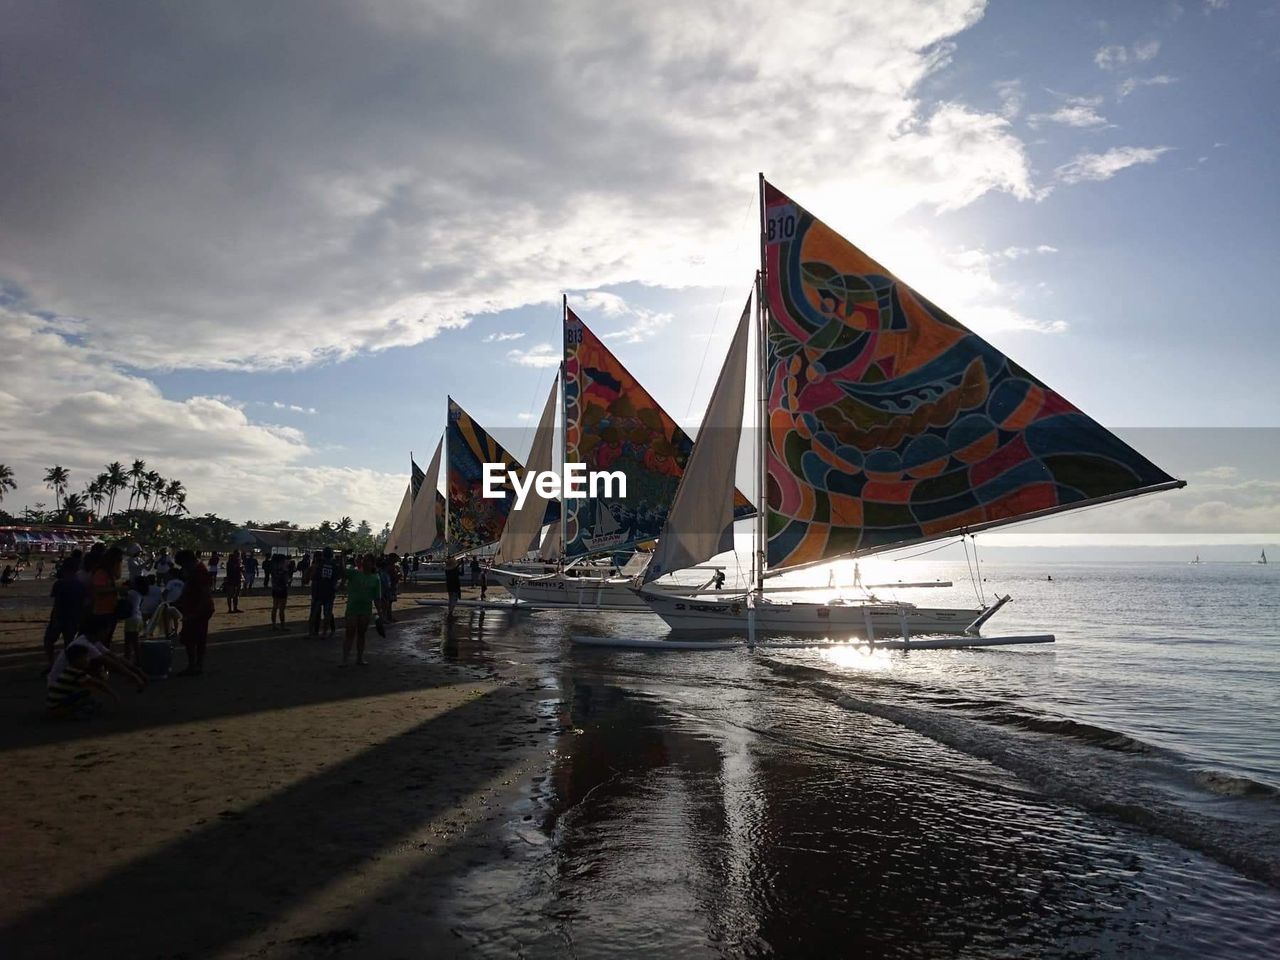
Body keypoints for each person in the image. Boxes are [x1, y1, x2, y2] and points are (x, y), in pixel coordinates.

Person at [46, 642, 117, 719]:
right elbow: (99, 684)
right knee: (89, 699)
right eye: (85, 657)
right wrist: (114, 695)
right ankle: (74, 714)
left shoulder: (69, 669)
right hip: (58, 707)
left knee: (85, 694)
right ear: (77, 660)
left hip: (53, 705)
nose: (88, 660)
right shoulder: (77, 673)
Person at [174, 549, 214, 676]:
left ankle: (194, 665)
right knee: (195, 638)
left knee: (191, 638)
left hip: (198, 610)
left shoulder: (200, 572)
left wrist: (195, 613)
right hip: (196, 608)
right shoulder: (196, 570)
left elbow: (205, 595)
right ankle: (196, 665)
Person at [42, 559, 86, 672]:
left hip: (60, 616)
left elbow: (57, 602)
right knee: (69, 642)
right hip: (74, 617)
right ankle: (69, 665)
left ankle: (52, 663)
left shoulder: (60, 583)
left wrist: (55, 617)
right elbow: (83, 602)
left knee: (49, 640)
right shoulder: (80, 584)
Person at [342, 555, 381, 666]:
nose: (365, 562)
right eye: (364, 560)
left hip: (365, 609)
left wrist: (380, 612)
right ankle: (345, 659)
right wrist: (342, 558)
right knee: (349, 633)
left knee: (361, 634)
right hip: (352, 608)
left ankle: (359, 658)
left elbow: (377, 598)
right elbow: (343, 571)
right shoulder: (355, 573)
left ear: (372, 564)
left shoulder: (375, 578)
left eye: (368, 561)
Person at [308, 547, 341, 638]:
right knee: (327, 614)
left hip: (318, 592)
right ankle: (324, 633)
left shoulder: (319, 564)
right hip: (329, 592)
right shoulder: (334, 565)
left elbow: (314, 577)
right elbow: (337, 577)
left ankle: (311, 633)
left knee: (314, 613)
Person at [269, 553, 292, 631]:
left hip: (275, 589)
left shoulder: (273, 569)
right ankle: (282, 625)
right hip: (282, 589)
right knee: (282, 608)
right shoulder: (284, 569)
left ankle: (274, 625)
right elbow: (286, 580)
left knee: (275, 607)